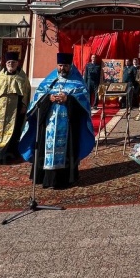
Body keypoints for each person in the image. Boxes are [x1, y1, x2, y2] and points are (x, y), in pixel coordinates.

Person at [19, 52, 96, 188]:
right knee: (45, 149)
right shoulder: (50, 81)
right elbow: (38, 99)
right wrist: (49, 99)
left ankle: (63, 180)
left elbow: (84, 103)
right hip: (49, 125)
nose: (62, 68)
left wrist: (69, 99)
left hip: (68, 126)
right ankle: (44, 178)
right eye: (60, 65)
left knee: (66, 151)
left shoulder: (78, 82)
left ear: (70, 66)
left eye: (65, 66)